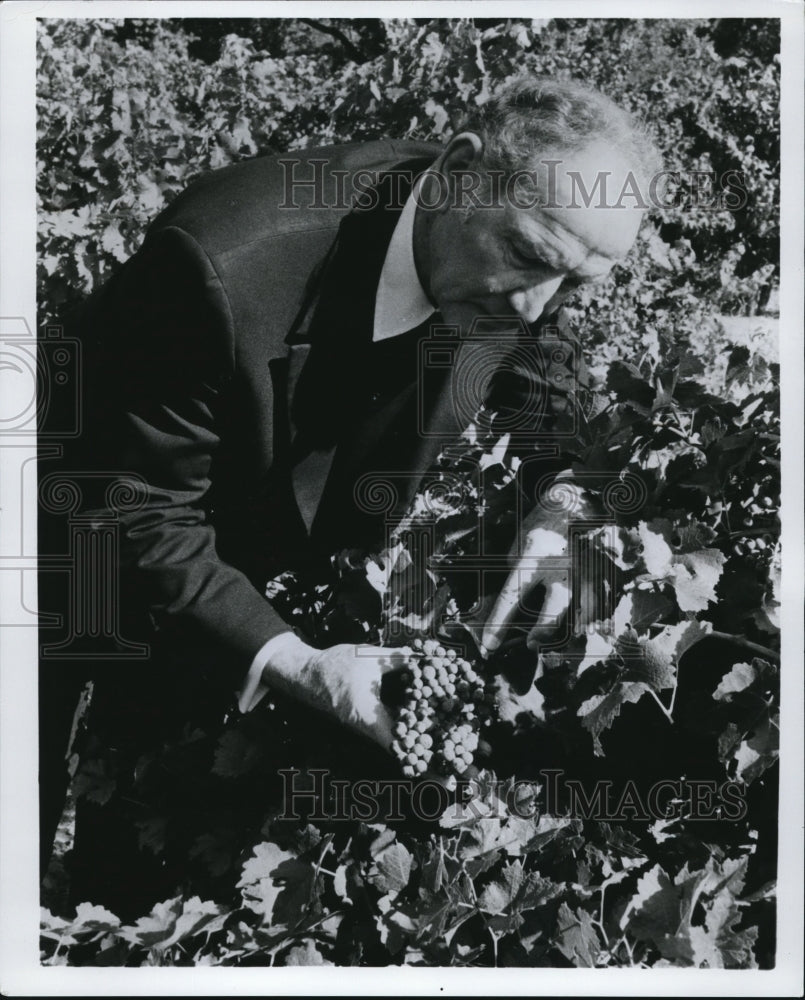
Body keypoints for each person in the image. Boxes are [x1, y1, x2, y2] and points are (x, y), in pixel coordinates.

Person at [41, 75, 659, 915]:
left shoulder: (535, 255)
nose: (533, 307)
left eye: (574, 286)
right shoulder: (223, 266)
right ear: (457, 171)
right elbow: (135, 506)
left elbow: (557, 394)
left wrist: (564, 505)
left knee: (146, 838)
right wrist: (297, 662)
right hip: (68, 520)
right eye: (529, 258)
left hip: (226, 546)